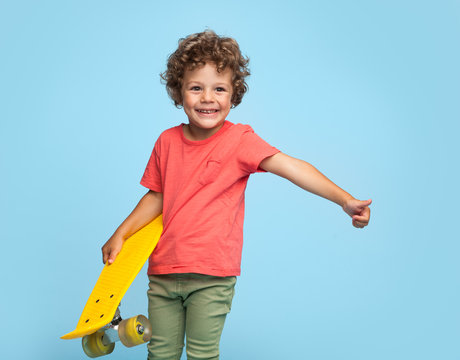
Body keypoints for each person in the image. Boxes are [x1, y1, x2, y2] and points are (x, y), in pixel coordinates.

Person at [101, 30, 371, 360]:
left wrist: (344, 199)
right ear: (179, 91)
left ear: (233, 95)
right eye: (196, 88)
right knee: (160, 353)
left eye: (219, 89)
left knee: (201, 354)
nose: (207, 98)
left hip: (212, 276)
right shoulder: (166, 142)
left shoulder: (240, 141)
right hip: (163, 272)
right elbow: (156, 197)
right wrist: (121, 233)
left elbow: (292, 167)